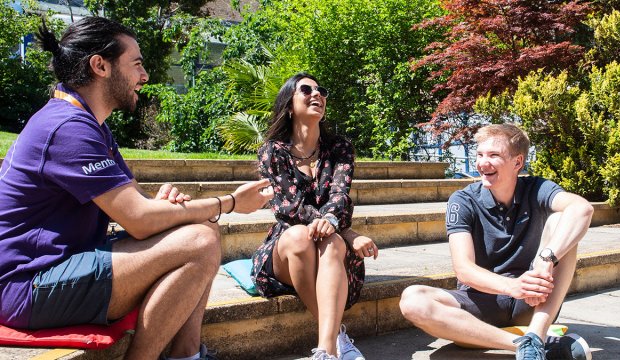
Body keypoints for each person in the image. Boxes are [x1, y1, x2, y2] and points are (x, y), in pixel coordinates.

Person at [0, 17, 274, 360]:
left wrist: (164, 208)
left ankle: (186, 355)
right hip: (27, 285)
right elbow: (140, 220)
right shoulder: (67, 127)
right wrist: (231, 202)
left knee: (200, 230)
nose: (144, 77)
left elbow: (138, 207)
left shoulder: (90, 123)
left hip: (60, 266)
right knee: (200, 239)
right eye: (137, 64)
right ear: (100, 65)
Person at [399, 124, 594, 360]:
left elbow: (583, 208)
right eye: (480, 154)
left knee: (564, 221)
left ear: (517, 162)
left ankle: (537, 331)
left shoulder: (537, 188)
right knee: (413, 300)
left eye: (494, 155)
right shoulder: (463, 200)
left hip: (533, 302)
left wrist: (545, 261)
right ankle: (531, 345)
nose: (482, 163)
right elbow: (464, 270)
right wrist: (512, 287)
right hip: (481, 304)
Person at [250, 73, 378, 360]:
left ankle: (326, 352)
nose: (316, 94)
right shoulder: (272, 152)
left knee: (331, 243)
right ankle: (337, 336)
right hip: (288, 250)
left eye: (321, 90)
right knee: (297, 236)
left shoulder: (340, 149)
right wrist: (337, 227)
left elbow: (340, 196)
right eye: (306, 89)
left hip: (331, 245)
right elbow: (286, 206)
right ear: (288, 104)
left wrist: (332, 223)